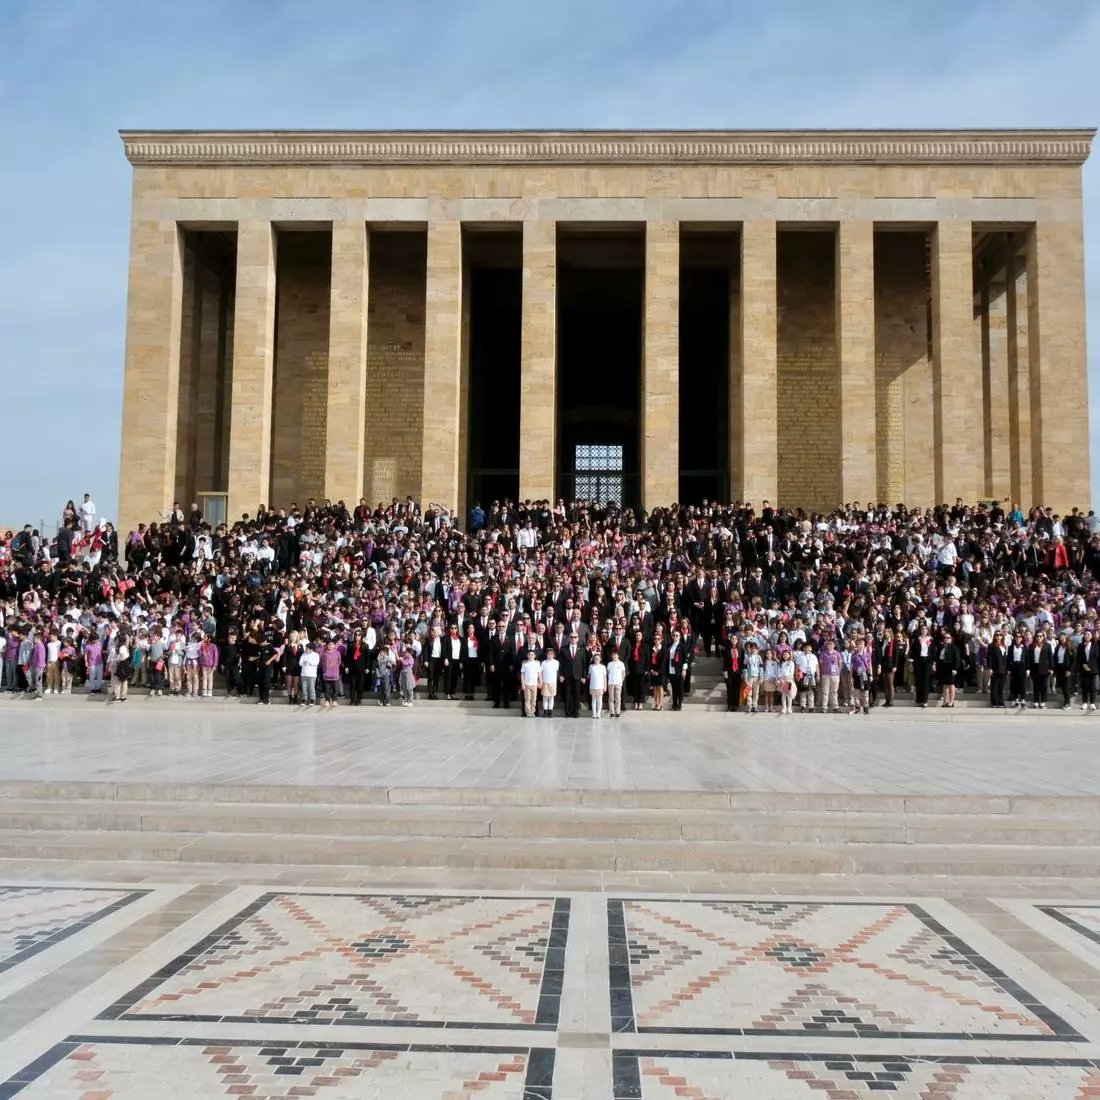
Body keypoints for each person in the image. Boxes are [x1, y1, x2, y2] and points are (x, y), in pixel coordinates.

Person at [988, 630, 1007, 708]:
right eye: (997, 635)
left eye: (1000, 635)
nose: (998, 636)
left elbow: (1005, 658)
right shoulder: (991, 646)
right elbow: (989, 657)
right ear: (994, 636)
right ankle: (994, 702)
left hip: (1003, 668)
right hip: (995, 668)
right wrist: (990, 668)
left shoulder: (1004, 646)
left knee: (1001, 687)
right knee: (994, 686)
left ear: (1002, 637)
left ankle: (1001, 702)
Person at [539, 646, 559, 718]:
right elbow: (541, 672)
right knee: (545, 697)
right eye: (548, 654)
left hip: (553, 682)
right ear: (546, 655)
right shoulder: (543, 663)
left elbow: (557, 671)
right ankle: (545, 711)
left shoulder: (556, 662)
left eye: (551, 654)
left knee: (551, 697)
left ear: (554, 655)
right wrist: (541, 681)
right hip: (545, 682)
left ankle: (550, 712)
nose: (550, 655)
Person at [520, 649, 541, 718]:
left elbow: (539, 674)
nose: (531, 656)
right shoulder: (525, 664)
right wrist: (523, 684)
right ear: (527, 656)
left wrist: (540, 682)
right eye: (529, 655)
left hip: (534, 684)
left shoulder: (537, 664)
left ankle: (532, 712)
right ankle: (528, 712)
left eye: (532, 655)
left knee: (534, 699)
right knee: (527, 699)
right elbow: (522, 675)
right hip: (527, 684)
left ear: (534, 656)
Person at [587, 650, 607, 719]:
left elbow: (605, 677)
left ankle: (598, 713)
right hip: (593, 685)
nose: (596, 660)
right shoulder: (591, 666)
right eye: (595, 659)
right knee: (593, 700)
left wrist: (605, 686)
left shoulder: (603, 667)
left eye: (598, 659)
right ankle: (594, 713)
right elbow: (589, 675)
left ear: (600, 659)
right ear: (593, 659)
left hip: (600, 686)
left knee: (599, 700)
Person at [606, 649, 625, 718]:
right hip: (611, 683)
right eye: (613, 655)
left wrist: (621, 681)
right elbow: (608, 673)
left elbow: (623, 674)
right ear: (611, 656)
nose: (614, 656)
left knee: (618, 698)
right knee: (611, 698)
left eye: (615, 655)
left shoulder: (621, 664)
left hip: (618, 683)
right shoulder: (609, 664)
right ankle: (612, 712)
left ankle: (617, 712)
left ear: (618, 655)